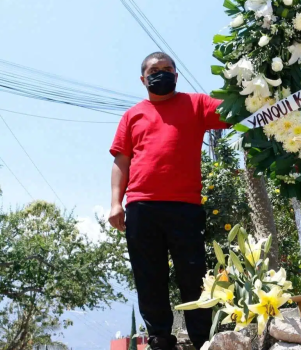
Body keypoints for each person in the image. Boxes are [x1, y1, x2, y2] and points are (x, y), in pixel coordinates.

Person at [108, 52, 228, 350]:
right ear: (143, 78)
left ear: (177, 75)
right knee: (149, 276)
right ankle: (160, 339)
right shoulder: (132, 115)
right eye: (154, 70)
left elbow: (235, 112)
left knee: (194, 275)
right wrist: (114, 204)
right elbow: (121, 161)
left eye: (167, 69)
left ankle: (203, 340)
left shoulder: (197, 104)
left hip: (185, 207)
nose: (161, 73)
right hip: (140, 206)